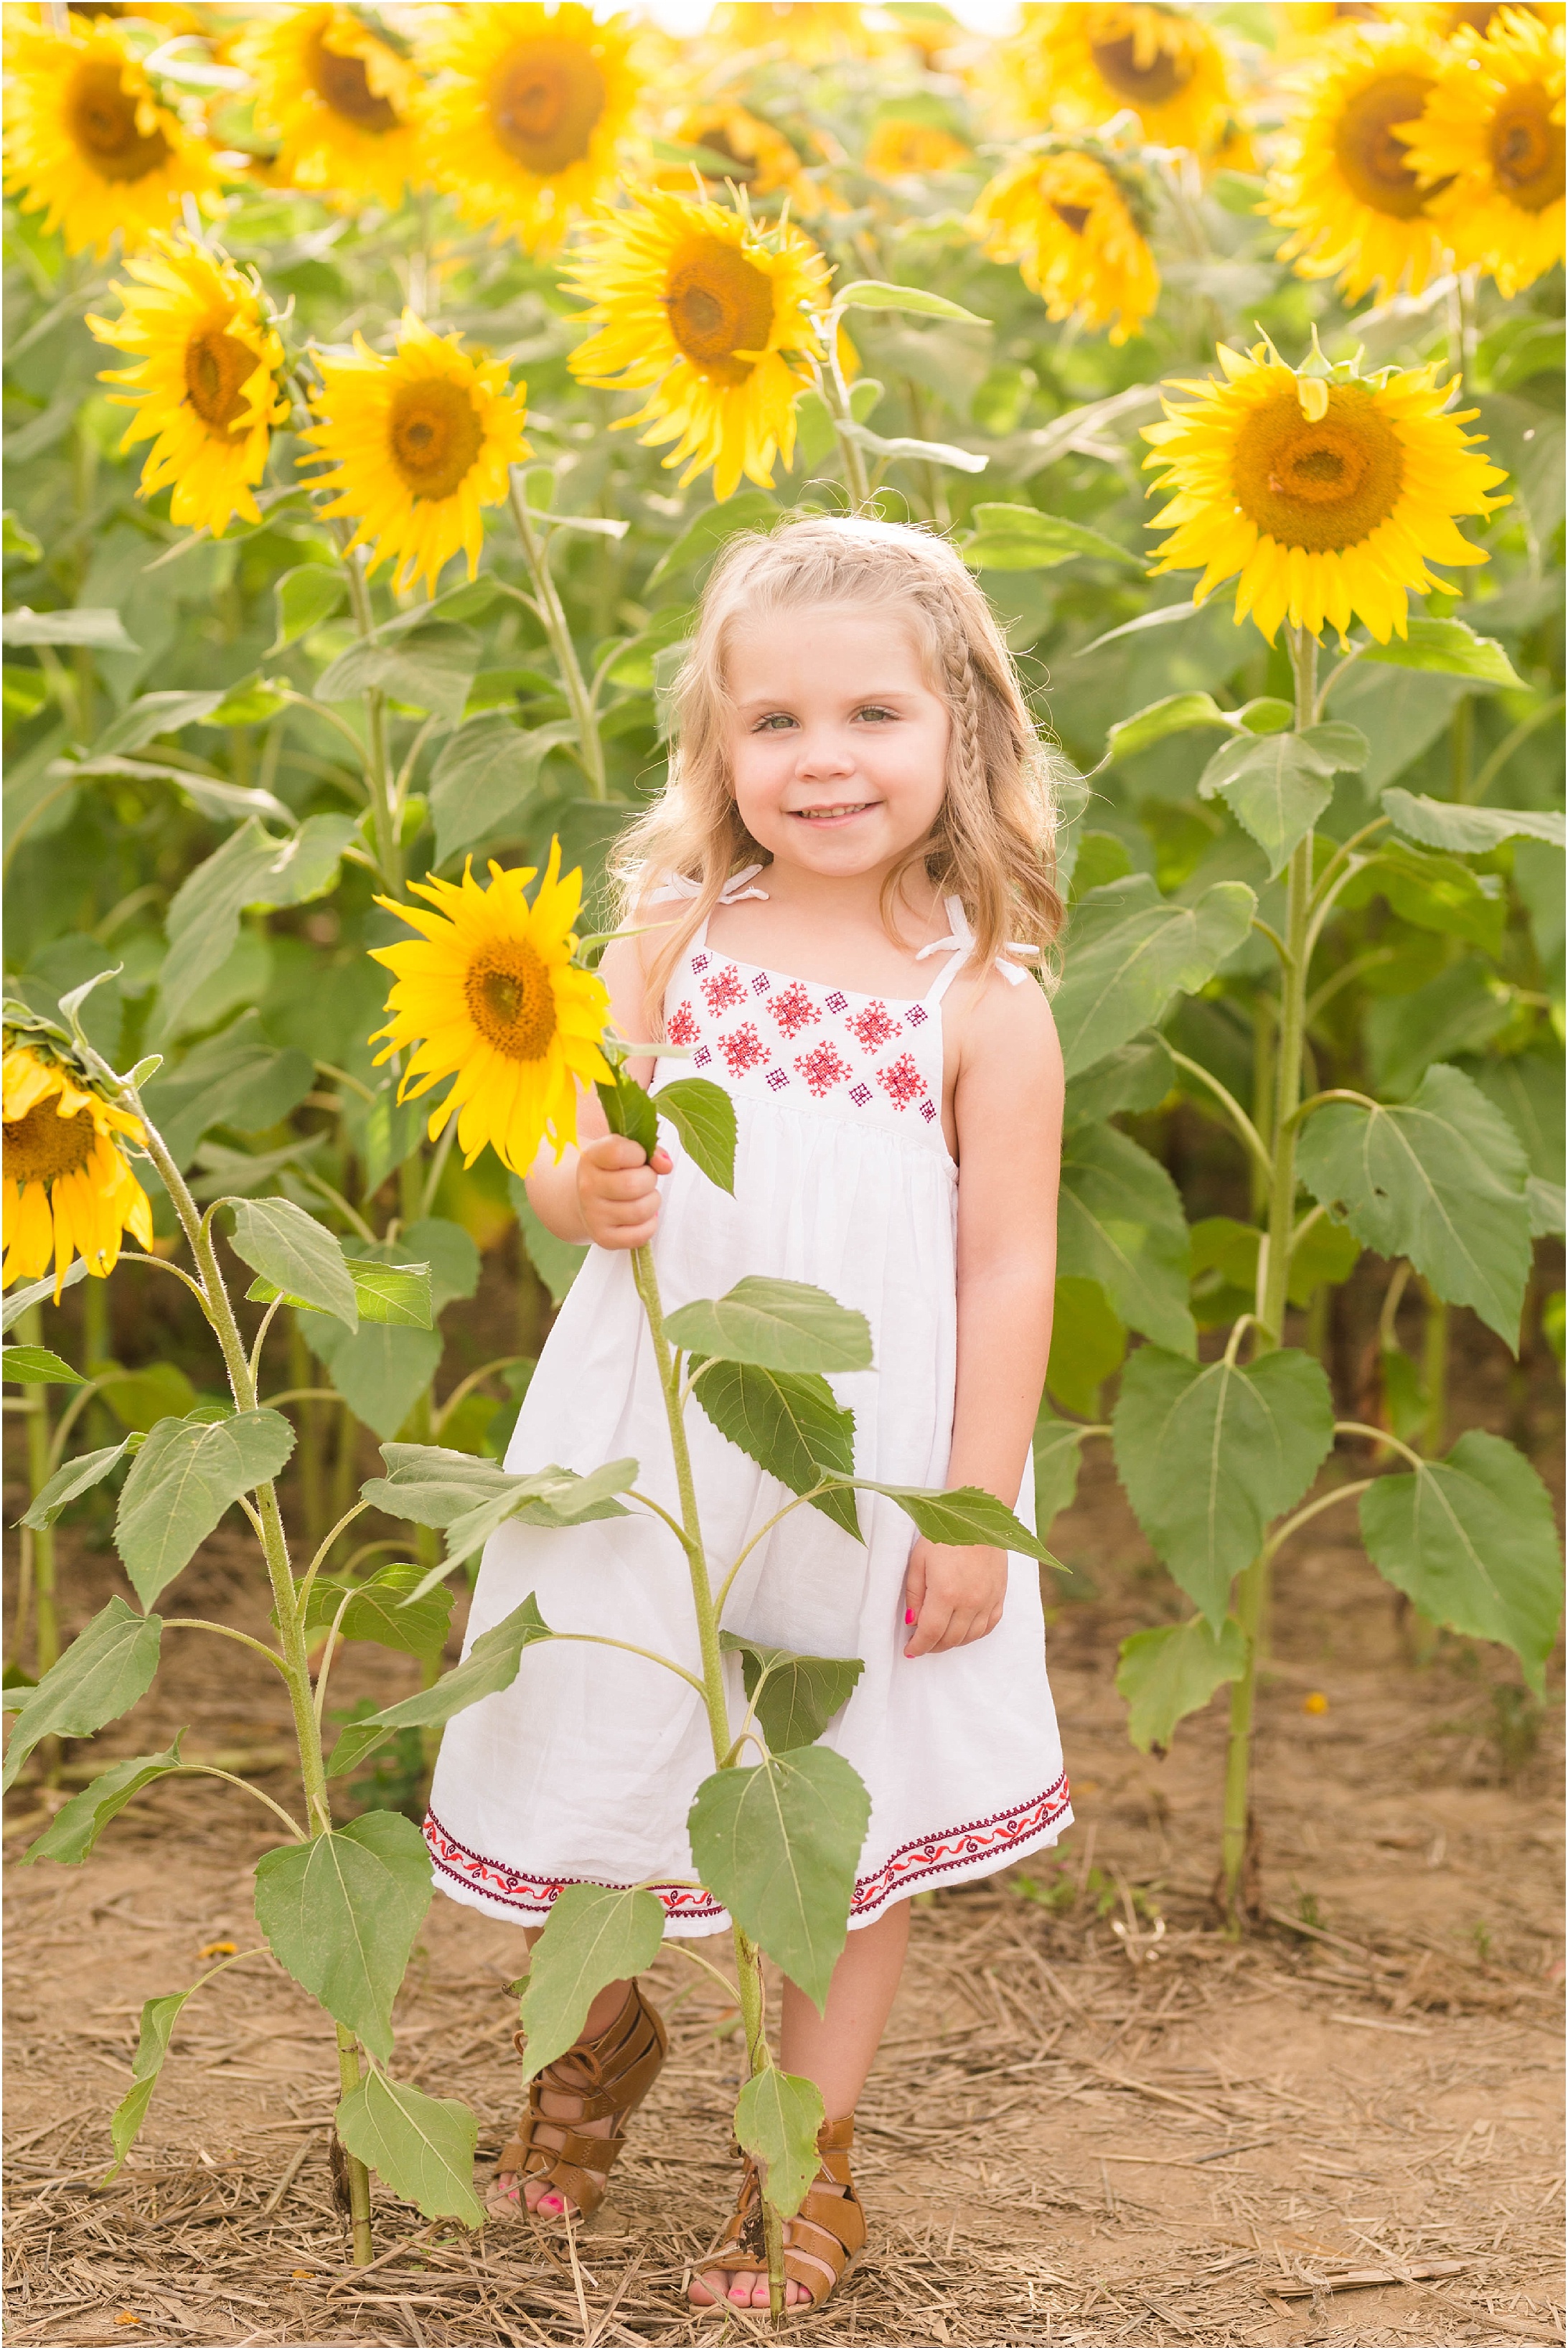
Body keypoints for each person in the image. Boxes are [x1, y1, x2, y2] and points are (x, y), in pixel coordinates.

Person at [423, 514, 1073, 2313]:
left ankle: (805, 2149)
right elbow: (568, 1146)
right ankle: (599, 2037)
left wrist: (972, 1505)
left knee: (833, 1803)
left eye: (870, 713)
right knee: (614, 1730)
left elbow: (1007, 1267)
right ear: (716, 749)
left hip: (856, 1469)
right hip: (647, 1436)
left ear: (962, 732)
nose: (822, 760)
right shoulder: (672, 936)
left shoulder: (983, 1007)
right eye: (771, 723)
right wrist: (585, 1194)